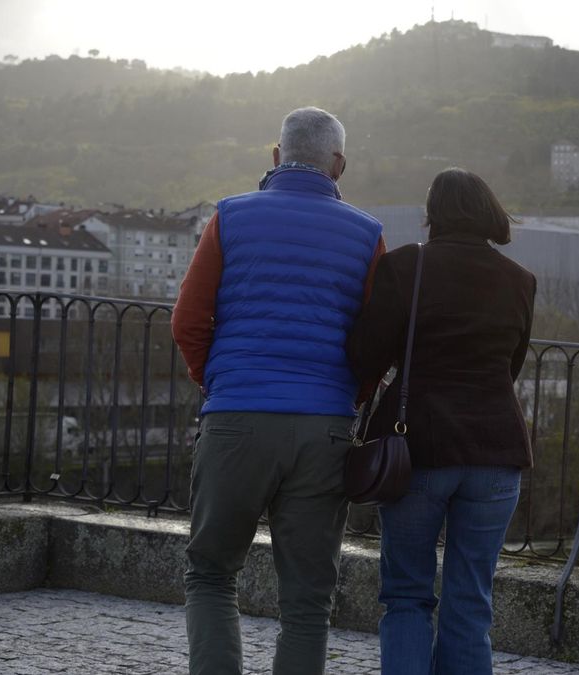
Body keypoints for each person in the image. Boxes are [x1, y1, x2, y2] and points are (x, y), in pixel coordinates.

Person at [172, 106, 386, 675]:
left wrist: (218, 382)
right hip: (325, 429)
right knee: (309, 601)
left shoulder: (230, 217)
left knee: (212, 574)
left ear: (275, 156)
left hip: (237, 417)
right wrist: (350, 399)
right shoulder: (368, 236)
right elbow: (375, 341)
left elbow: (187, 321)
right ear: (338, 165)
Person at [348, 168, 536, 674]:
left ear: (433, 213)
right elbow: (509, 368)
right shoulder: (520, 281)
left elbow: (365, 356)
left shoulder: (408, 266)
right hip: (498, 453)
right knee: (470, 603)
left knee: (407, 595)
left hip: (418, 451)